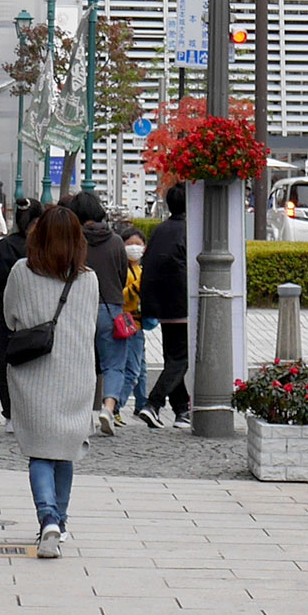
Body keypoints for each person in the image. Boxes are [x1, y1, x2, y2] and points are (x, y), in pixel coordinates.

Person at [3, 206, 98, 559]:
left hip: (34, 374)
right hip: (76, 373)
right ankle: (60, 519)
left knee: (40, 450)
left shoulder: (21, 272)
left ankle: (48, 519)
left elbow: (10, 315)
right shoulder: (88, 279)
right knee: (65, 452)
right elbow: (90, 325)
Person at [0, 198, 45, 432]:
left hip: (6, 317)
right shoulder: (45, 247)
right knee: (36, 367)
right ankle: (33, 412)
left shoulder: (1, 248)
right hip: (39, 318)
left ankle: (10, 413)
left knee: (4, 366)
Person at [64, 192, 128, 437]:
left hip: (78, 308)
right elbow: (123, 275)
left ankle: (80, 413)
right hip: (111, 308)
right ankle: (108, 408)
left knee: (81, 363)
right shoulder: (115, 241)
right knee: (114, 364)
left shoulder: (74, 241)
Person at [137, 185, 190, 430]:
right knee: (181, 360)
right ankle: (153, 403)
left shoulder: (159, 230)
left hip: (160, 303)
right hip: (183, 302)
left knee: (173, 357)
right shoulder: (191, 231)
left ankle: (181, 411)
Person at [116, 225, 159, 424]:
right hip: (127, 325)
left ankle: (141, 404)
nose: (134, 248)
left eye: (138, 244)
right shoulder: (122, 271)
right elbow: (122, 297)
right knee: (132, 370)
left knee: (140, 367)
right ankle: (114, 406)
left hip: (138, 325)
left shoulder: (140, 270)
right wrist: (136, 287)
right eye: (129, 244)